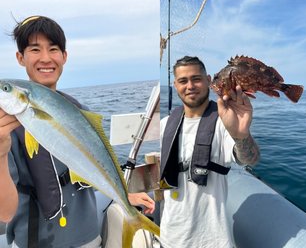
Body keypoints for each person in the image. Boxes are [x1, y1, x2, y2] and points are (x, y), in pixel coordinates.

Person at [0, 15, 155, 248]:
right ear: (20, 58)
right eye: (34, 49)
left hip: (89, 236)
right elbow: (5, 213)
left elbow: (94, 167)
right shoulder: (6, 125)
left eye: (53, 49)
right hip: (35, 242)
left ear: (64, 57)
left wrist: (124, 197)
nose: (45, 58)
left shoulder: (81, 112)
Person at [159, 56, 260, 248]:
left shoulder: (224, 121)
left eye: (196, 79)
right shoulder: (164, 125)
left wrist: (241, 135)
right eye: (183, 81)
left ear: (208, 79)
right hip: (170, 238)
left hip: (213, 241)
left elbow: (250, 158)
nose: (190, 86)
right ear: (175, 85)